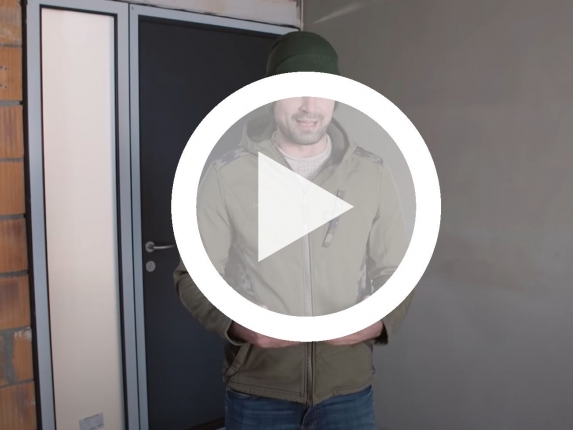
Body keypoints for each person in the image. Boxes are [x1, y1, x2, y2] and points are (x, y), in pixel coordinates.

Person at [173, 31, 413, 430]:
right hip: (259, 390)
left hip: (347, 389)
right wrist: (238, 324)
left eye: (322, 90)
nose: (309, 106)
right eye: (294, 89)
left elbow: (397, 270)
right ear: (271, 96)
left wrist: (380, 322)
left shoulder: (373, 173)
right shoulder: (226, 175)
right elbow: (192, 276)